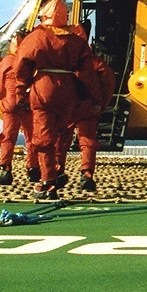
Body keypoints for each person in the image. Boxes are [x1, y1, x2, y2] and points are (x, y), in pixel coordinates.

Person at [13, 0, 100, 199]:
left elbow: (22, 67)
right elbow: (88, 74)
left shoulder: (36, 38)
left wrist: (20, 93)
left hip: (43, 89)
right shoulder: (77, 42)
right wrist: (94, 99)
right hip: (68, 93)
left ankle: (48, 182)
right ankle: (59, 170)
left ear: (45, 15)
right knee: (61, 136)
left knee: (43, 139)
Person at [55, 23, 117, 193]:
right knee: (88, 141)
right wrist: (101, 104)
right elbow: (108, 82)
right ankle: (87, 174)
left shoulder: (61, 62)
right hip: (89, 107)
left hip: (66, 108)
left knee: (60, 140)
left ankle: (57, 170)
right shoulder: (95, 62)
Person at [0, 31, 39, 185]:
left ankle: (5, 169)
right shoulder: (31, 61)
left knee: (8, 137)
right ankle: (33, 168)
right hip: (27, 103)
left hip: (10, 103)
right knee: (32, 137)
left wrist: (5, 98)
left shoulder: (6, 61)